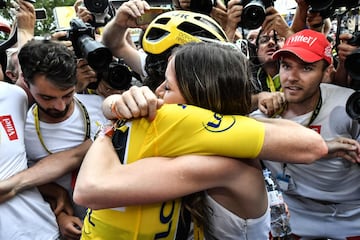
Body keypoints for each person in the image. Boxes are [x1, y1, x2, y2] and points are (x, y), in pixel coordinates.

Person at [73, 42, 330, 239]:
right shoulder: (213, 141)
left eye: (169, 87)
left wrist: (107, 131)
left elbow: (90, 189)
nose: (158, 93)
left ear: (199, 96)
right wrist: (113, 104)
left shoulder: (223, 166)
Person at [251, 29, 360, 239]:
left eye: (307, 68)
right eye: (286, 66)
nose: (292, 77)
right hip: (295, 213)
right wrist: (257, 99)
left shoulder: (349, 106)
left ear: (326, 71)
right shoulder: (260, 115)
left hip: (352, 214)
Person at [16, 39, 108, 240]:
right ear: (25, 81)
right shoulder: (20, 128)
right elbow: (27, 184)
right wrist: (60, 217)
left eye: (67, 94)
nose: (59, 106)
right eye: (47, 98)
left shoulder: (103, 107)